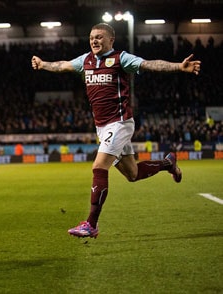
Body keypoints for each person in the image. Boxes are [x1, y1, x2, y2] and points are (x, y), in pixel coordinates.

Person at [31, 23, 201, 238]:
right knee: (133, 174)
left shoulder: (121, 58)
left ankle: (91, 224)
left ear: (111, 40)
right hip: (102, 128)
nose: (94, 41)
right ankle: (168, 163)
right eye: (92, 37)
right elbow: (63, 65)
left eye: (100, 37)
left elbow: (149, 64)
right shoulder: (86, 60)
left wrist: (178, 67)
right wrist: (43, 64)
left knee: (99, 167)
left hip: (119, 124)